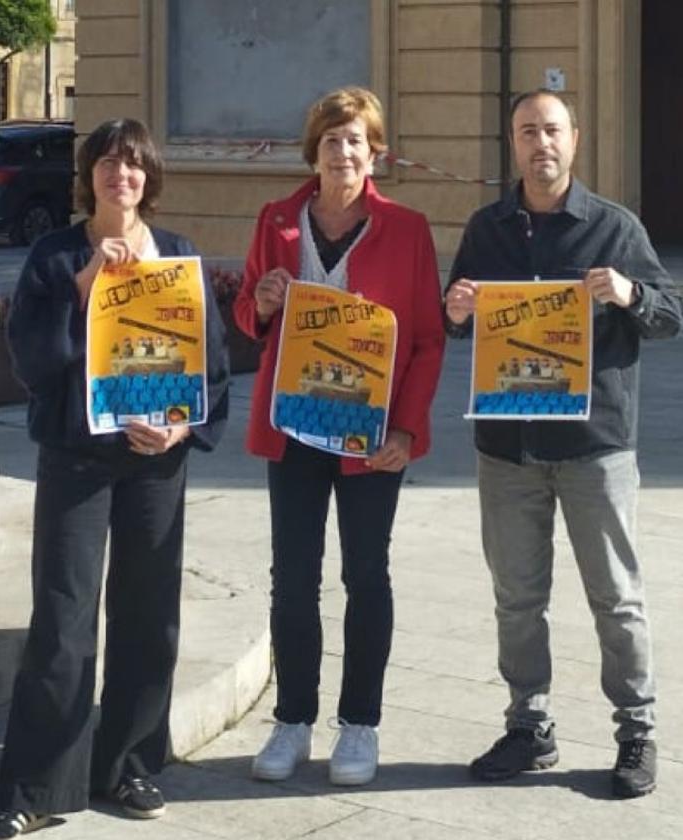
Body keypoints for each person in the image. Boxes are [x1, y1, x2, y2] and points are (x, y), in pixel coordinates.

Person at [0, 118, 229, 839]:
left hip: (156, 461)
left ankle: (128, 764)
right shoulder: (58, 256)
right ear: (88, 177)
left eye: (135, 166)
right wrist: (83, 291)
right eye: (109, 165)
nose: (123, 177)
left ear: (150, 178)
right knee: (63, 616)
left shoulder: (176, 256)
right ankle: (34, 784)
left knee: (149, 617)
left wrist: (183, 423)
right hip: (77, 459)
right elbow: (34, 363)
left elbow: (206, 371)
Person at [443, 90, 683, 798]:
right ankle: (529, 725)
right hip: (507, 446)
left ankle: (636, 731)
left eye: (551, 130)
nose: (539, 143)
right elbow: (457, 316)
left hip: (594, 446)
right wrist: (454, 308)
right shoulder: (487, 228)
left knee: (616, 598)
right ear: (512, 144)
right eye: (526, 132)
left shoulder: (615, 228)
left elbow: (671, 314)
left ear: (574, 139)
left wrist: (629, 293)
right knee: (517, 597)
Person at [233, 86, 445, 787]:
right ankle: (293, 719)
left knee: (365, 575)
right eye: (331, 139)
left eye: (355, 140)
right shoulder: (277, 219)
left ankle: (360, 725)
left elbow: (423, 339)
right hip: (294, 426)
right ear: (314, 150)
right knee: (292, 578)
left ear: (375, 152)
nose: (343, 151)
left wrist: (409, 428)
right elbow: (248, 314)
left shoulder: (408, 229)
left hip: (371, 434)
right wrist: (260, 303)